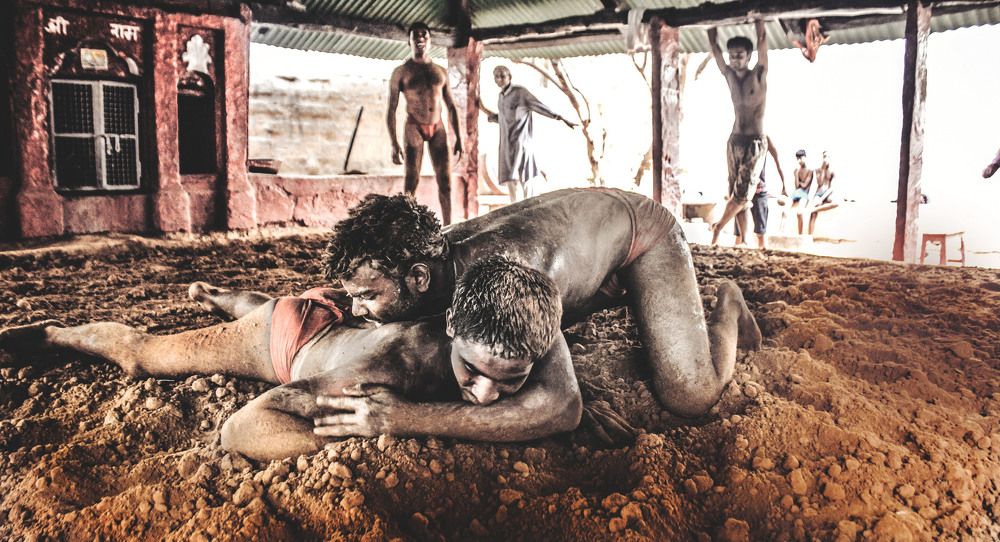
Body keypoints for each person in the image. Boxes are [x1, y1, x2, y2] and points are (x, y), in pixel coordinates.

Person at [0, 256, 581, 462]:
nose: (482, 395)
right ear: (451, 328)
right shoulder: (385, 371)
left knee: (277, 303)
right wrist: (373, 435)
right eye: (471, 372)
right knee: (146, 356)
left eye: (510, 382)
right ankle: (56, 334)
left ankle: (220, 295)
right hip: (284, 342)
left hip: (335, 319)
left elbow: (559, 404)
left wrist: (520, 395)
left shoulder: (515, 319)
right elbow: (243, 429)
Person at [319, 190, 763, 438]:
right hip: (585, 233)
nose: (357, 308)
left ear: (418, 279)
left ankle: (728, 304)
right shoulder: (421, 254)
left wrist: (402, 418)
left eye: (365, 297)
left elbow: (560, 404)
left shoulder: (510, 275)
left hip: (642, 235)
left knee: (691, 393)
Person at [386, 22, 462, 225]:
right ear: (409, 40)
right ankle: (407, 225)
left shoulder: (440, 71)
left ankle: (448, 226)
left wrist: (459, 139)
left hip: (437, 126)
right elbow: (391, 110)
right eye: (416, 35)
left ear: (430, 41)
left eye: (424, 35)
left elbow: (452, 107)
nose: (420, 38)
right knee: (411, 181)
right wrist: (394, 144)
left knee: (445, 182)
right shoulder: (401, 72)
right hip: (414, 126)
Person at [707, 20, 769, 246]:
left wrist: (759, 22)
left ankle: (718, 227)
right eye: (732, 55)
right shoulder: (730, 76)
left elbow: (762, 42)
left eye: (740, 55)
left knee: (743, 195)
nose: (734, 60)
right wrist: (710, 22)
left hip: (754, 141)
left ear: (749, 56)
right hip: (734, 141)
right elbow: (714, 47)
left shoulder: (759, 74)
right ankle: (742, 239)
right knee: (735, 193)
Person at [481, 65, 577, 203]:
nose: (499, 79)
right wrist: (485, 110)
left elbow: (540, 106)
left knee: (527, 180)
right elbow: (505, 120)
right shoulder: (501, 97)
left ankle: (530, 212)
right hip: (507, 146)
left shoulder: (520, 93)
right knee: (511, 182)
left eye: (502, 76)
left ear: (510, 77)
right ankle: (514, 215)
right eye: (496, 76)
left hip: (522, 144)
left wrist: (559, 117)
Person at [734, 135, 785, 248]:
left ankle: (763, 254)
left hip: (758, 189)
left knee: (761, 232)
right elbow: (734, 164)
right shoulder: (740, 136)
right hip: (742, 190)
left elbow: (778, 161)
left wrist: (784, 185)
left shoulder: (764, 137)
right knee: (739, 234)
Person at [803, 150, 839, 235]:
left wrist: (822, 198)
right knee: (813, 214)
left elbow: (831, 188)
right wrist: (811, 199)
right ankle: (809, 236)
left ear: (830, 158)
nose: (825, 159)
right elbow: (815, 185)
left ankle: (814, 208)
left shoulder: (832, 171)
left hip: (827, 195)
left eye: (827, 157)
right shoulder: (818, 171)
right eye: (824, 157)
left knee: (836, 202)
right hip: (818, 194)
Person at [790, 149, 814, 235]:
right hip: (796, 194)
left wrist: (799, 181)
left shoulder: (810, 171)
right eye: (797, 159)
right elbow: (797, 186)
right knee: (784, 211)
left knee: (799, 213)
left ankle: (800, 234)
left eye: (801, 158)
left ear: (805, 157)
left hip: (804, 194)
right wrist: (796, 175)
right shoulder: (797, 171)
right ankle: (780, 233)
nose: (799, 160)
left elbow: (804, 185)